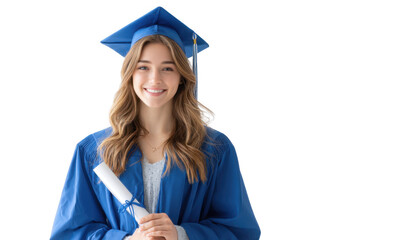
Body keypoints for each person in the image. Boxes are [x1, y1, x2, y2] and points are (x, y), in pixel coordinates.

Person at [51, 6, 260, 240]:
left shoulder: (214, 149)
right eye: (143, 67)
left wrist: (181, 234)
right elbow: (70, 233)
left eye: (167, 68)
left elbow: (239, 231)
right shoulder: (93, 151)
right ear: (130, 74)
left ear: (182, 77)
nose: (155, 79)